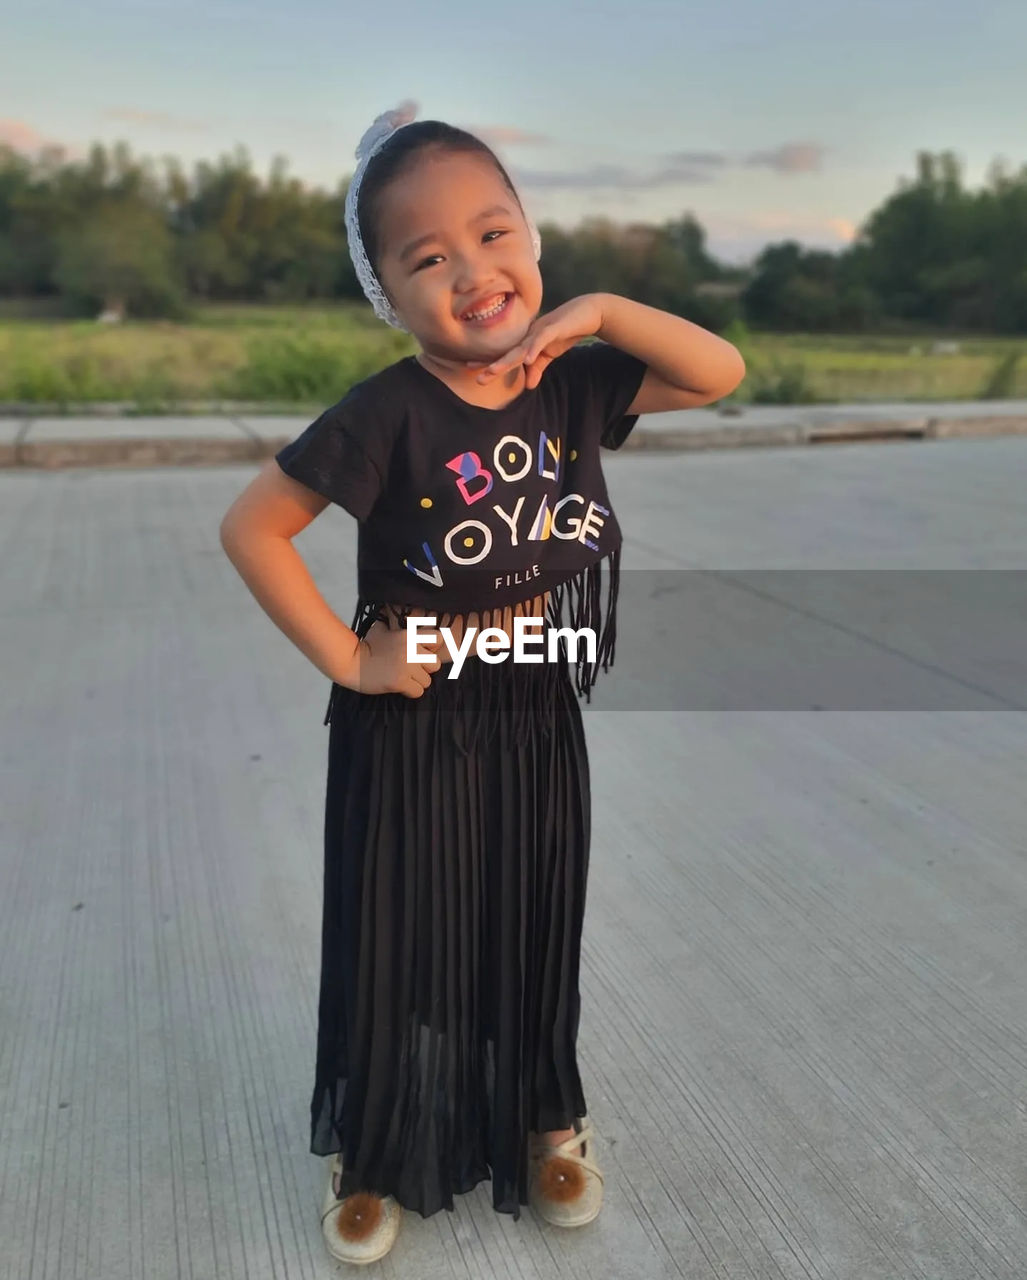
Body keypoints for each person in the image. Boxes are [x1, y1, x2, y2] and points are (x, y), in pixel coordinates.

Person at [219, 100, 745, 1265]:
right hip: (410, 716)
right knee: (403, 925)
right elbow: (253, 527)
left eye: (495, 232)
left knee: (528, 910)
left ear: (534, 243)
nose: (473, 270)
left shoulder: (574, 380)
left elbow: (717, 371)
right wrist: (350, 656)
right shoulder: (383, 414)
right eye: (428, 256)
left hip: (530, 701)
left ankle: (548, 1114)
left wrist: (603, 311)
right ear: (389, 296)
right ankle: (378, 1146)